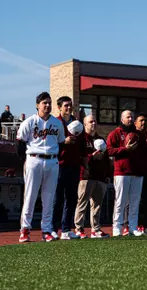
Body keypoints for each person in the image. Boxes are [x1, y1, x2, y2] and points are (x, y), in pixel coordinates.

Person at [17, 92, 65, 243]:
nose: (47, 105)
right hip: (34, 159)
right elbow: (19, 144)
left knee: (49, 198)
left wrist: (55, 158)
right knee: (30, 196)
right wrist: (25, 160)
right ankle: (25, 230)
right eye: (44, 102)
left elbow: (61, 144)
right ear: (37, 105)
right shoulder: (29, 122)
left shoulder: (57, 123)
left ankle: (46, 230)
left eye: (49, 102)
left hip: (52, 161)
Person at [107, 110, 147, 237]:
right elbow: (109, 150)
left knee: (135, 201)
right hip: (122, 172)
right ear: (122, 118)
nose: (130, 119)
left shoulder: (139, 135)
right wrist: (125, 149)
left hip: (137, 172)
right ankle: (117, 227)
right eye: (128, 117)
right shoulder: (115, 133)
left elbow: (144, 152)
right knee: (120, 201)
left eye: (132, 117)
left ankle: (133, 226)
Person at [74, 115, 111, 238]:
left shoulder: (100, 139)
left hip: (100, 176)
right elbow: (78, 158)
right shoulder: (81, 139)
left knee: (97, 205)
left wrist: (107, 175)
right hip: (86, 176)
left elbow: (106, 159)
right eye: (90, 122)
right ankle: (79, 228)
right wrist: (91, 156)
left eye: (95, 121)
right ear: (85, 124)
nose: (93, 124)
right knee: (82, 203)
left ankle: (95, 229)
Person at [52, 96, 83, 240]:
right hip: (59, 165)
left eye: (70, 106)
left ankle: (66, 229)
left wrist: (84, 163)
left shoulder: (77, 123)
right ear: (59, 107)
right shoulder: (55, 123)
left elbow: (81, 145)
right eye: (66, 106)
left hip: (74, 165)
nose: (69, 108)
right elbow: (50, 145)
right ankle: (52, 229)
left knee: (71, 199)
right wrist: (64, 142)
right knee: (57, 199)